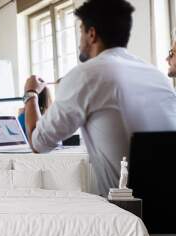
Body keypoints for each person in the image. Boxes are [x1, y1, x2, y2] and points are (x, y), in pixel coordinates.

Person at [23, 0, 176, 196]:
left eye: (80, 31)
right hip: (170, 206)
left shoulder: (86, 75)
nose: (79, 40)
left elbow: (38, 143)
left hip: (127, 214)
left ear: (91, 34)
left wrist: (31, 93)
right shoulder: (157, 76)